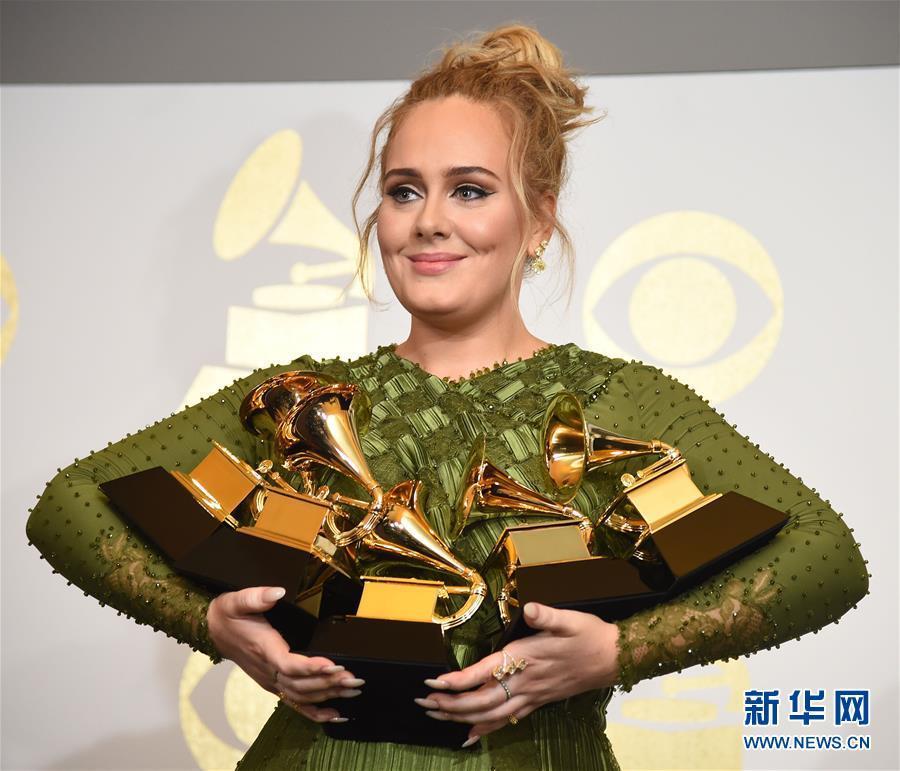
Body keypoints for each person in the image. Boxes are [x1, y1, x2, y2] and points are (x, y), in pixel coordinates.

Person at [26, 24, 868, 771]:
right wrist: (210, 623)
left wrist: (620, 651)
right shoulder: (302, 396)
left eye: (469, 189)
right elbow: (69, 502)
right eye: (404, 190)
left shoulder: (622, 399)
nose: (428, 219)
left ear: (539, 220)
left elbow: (826, 554)